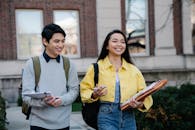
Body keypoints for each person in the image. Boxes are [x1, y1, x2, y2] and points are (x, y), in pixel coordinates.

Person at [80, 29, 153, 130]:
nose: (119, 44)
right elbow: (84, 90)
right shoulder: (96, 67)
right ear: (107, 46)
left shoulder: (134, 70)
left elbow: (145, 95)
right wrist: (94, 94)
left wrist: (140, 104)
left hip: (129, 117)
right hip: (106, 117)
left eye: (122, 42)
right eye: (115, 41)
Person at [22, 23, 79, 130]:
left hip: (63, 123)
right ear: (45, 41)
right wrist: (43, 102)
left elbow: (74, 91)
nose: (61, 45)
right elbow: (26, 96)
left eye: (63, 41)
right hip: (38, 124)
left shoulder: (69, 64)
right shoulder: (32, 64)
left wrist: (61, 100)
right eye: (56, 41)